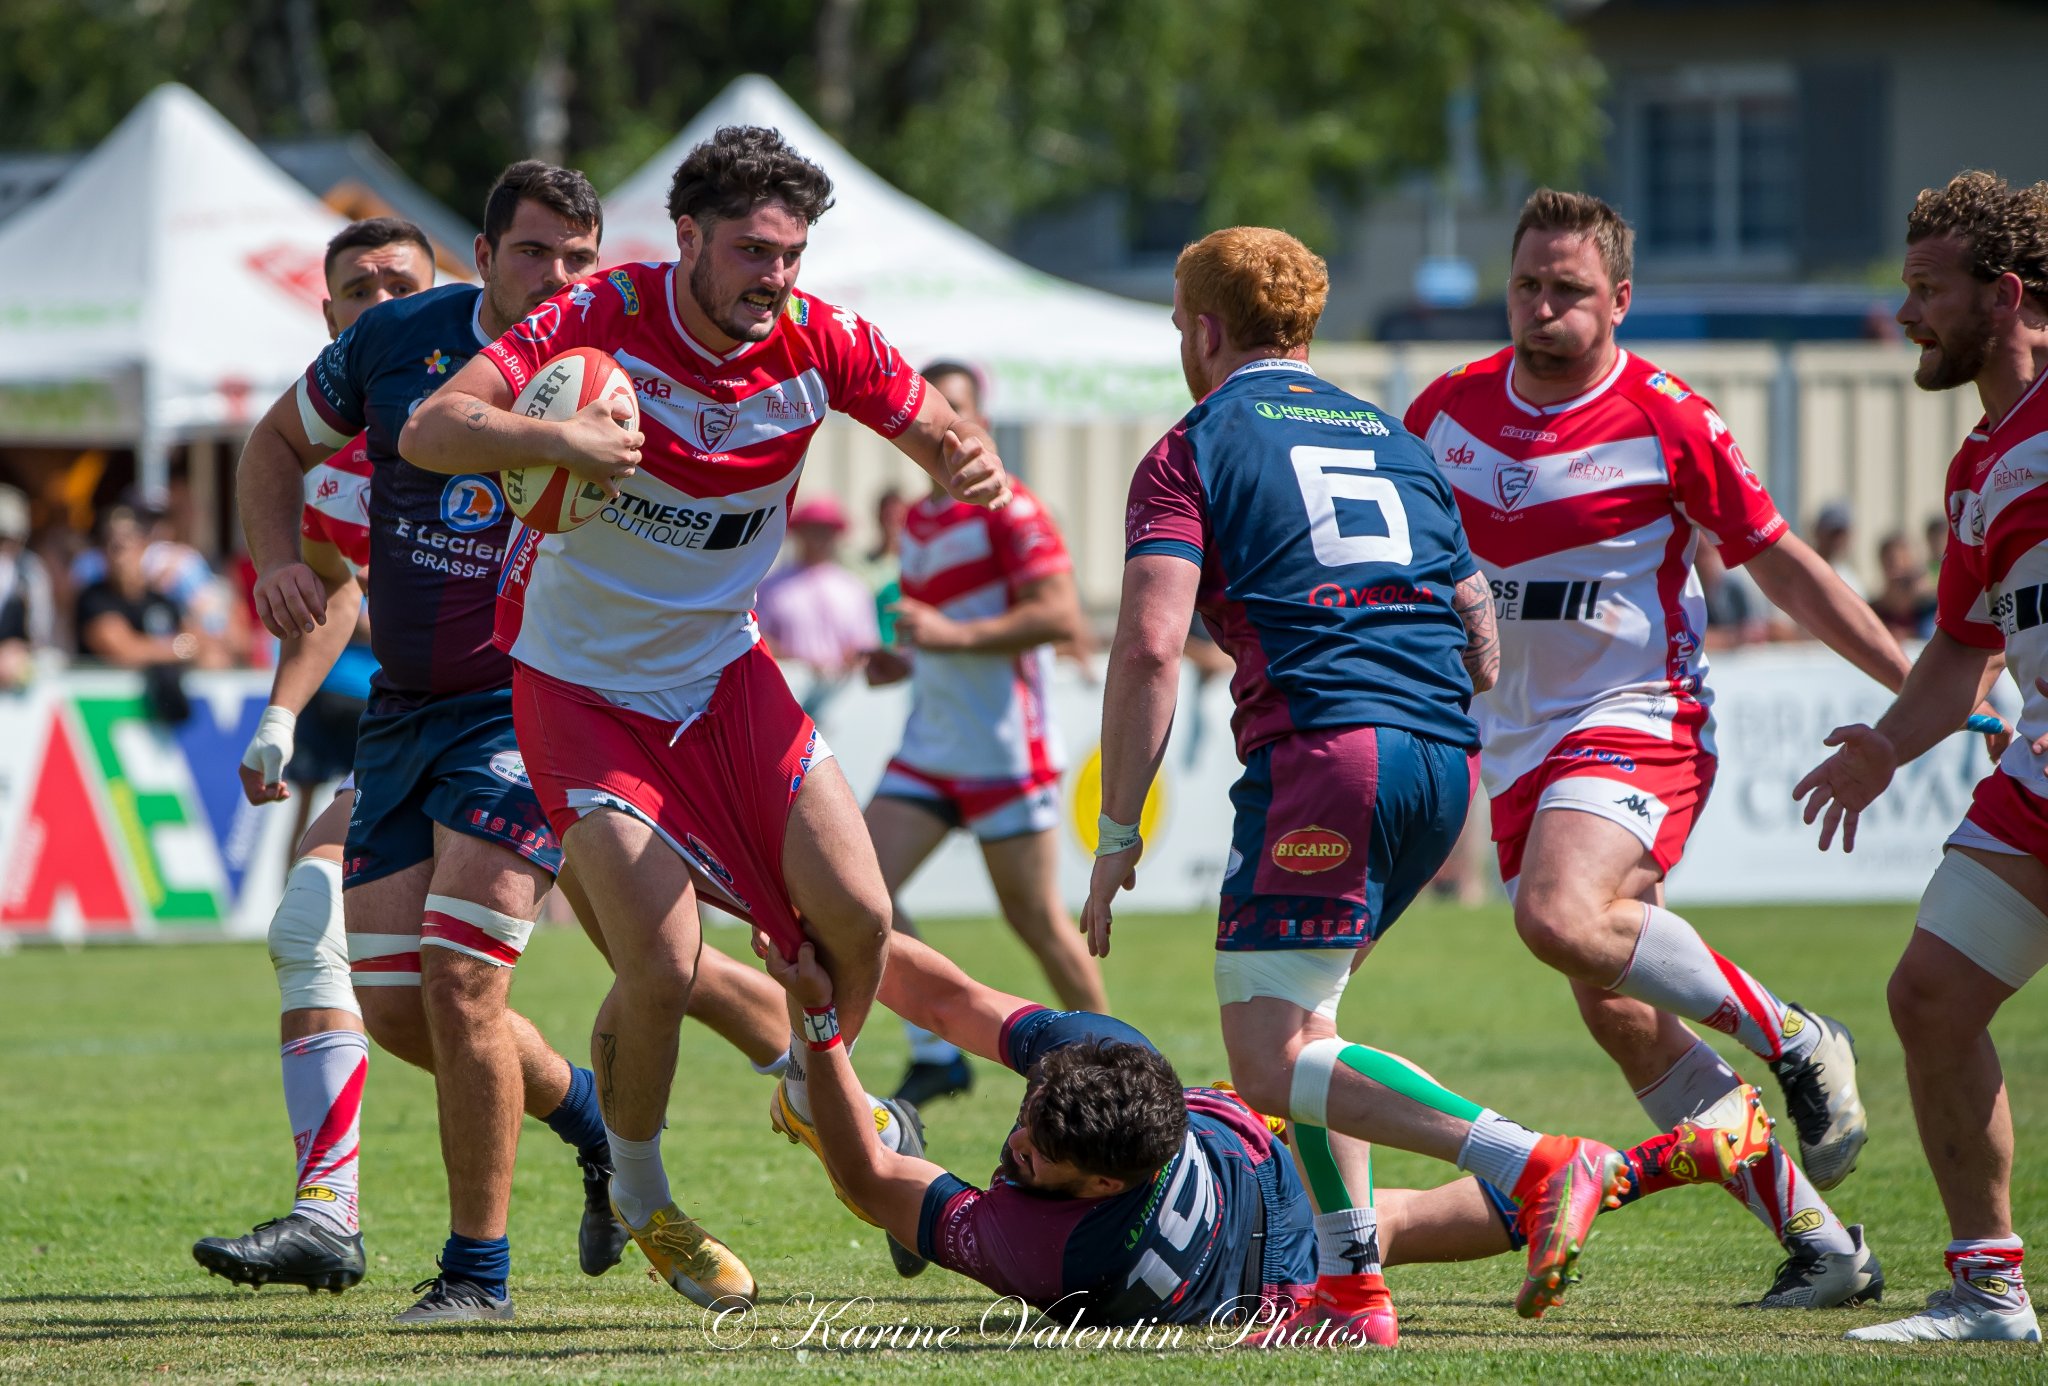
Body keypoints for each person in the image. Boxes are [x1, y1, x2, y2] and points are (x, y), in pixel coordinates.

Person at [399, 125, 1011, 1299]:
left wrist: (956, 454)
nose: (772, 277)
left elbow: (925, 413)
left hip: (724, 676)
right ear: (686, 237)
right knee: (665, 963)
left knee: (861, 919)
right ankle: (641, 1193)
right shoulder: (601, 316)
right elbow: (433, 431)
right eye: (750, 250)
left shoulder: (816, 338)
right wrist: (557, 438)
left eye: (788, 254)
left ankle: (802, 1086)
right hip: (578, 689)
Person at [1400, 189, 2005, 1307]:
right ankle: (1822, 1245)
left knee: (1554, 919)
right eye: (1527, 285)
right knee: (1615, 1003)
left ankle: (1791, 1032)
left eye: (1568, 290)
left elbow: (1784, 569)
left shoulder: (1665, 416)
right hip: (1512, 744)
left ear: (1619, 300)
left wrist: (1922, 685)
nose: (1541, 307)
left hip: (1637, 719)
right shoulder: (1441, 412)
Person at [1083, 225, 1634, 1341]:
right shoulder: (1397, 440)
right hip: (1438, 758)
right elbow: (1479, 635)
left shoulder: (1191, 446)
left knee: (1268, 1056)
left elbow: (1147, 645)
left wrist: (1113, 830)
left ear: (1200, 328)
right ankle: (1348, 1288)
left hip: (1327, 751)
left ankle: (1535, 1163)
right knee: (1310, 1032)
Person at [234, 164, 624, 1323]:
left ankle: (476, 1275)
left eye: (576, 258)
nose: (555, 278)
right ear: (483, 252)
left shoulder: (624, 357)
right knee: (407, 1007)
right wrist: (276, 565)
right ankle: (594, 1116)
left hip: (532, 704)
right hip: (404, 714)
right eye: (533, 253)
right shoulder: (396, 344)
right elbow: (269, 448)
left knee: (463, 982)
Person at [761, 916, 1771, 1333]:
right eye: (1025, 1123)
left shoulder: (1043, 1248)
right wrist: (834, 927)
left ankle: (1585, 1172)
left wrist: (818, 1023)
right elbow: (951, 1000)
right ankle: (1630, 1167)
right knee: (1366, 1171)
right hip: (1243, 1149)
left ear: (1099, 1183)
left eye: (1031, 1152)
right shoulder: (1111, 1063)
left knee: (1395, 1224)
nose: (1014, 1142)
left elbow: (867, 1180)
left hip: (1253, 1284)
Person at [1795, 170, 2048, 1344]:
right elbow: (1959, 648)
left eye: (1924, 290)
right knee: (1929, 996)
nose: (1903, 314)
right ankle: (1989, 1294)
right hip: (2041, 768)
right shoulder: (1974, 467)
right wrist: (1884, 749)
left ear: (2001, 297)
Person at [192, 217, 434, 1293]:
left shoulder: (528, 392)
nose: (381, 305)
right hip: (426, 730)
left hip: (567, 731)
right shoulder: (339, 445)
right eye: (357, 290)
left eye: (403, 284)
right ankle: (327, 1215)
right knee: (315, 924)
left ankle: (854, 1113)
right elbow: (336, 589)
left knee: (685, 970)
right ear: (326, 314)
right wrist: (282, 717)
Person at [863, 359, 1103, 1106]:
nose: (945, 428)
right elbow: (939, 632)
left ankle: (1118, 1069)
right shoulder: (921, 521)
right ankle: (935, 1051)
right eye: (933, 412)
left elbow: (1060, 618)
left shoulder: (1012, 508)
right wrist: (901, 661)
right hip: (931, 748)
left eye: (958, 412)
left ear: (983, 427)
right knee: (853, 890)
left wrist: (944, 635)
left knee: (1035, 922)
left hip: (1005, 752)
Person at [755, 495, 881, 703]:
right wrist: (799, 663)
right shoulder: (771, 587)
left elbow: (866, 643)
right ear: (799, 532)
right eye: (812, 529)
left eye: (826, 530)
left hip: (841, 691)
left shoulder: (854, 587)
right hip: (787, 687)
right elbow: (759, 639)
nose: (819, 537)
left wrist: (851, 659)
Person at [75, 505, 229, 673]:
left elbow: (205, 643)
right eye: (109, 544)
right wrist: (181, 648)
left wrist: (199, 648)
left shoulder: (160, 598)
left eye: (123, 545)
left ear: (143, 545)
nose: (118, 556)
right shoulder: (93, 598)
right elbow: (125, 650)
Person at [0, 483, 55, 690]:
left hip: (15, 686)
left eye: (12, 540)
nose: (5, 547)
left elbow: (40, 635)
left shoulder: (30, 572)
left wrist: (20, 651)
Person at [1871, 530, 1938, 639]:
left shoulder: (1931, 610)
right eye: (1892, 562)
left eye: (1904, 561)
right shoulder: (1874, 613)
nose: (1898, 570)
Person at [1811, 503, 1865, 601]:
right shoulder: (1803, 570)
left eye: (1842, 534)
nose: (1837, 541)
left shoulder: (1851, 582)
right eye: (1833, 534)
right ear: (1817, 532)